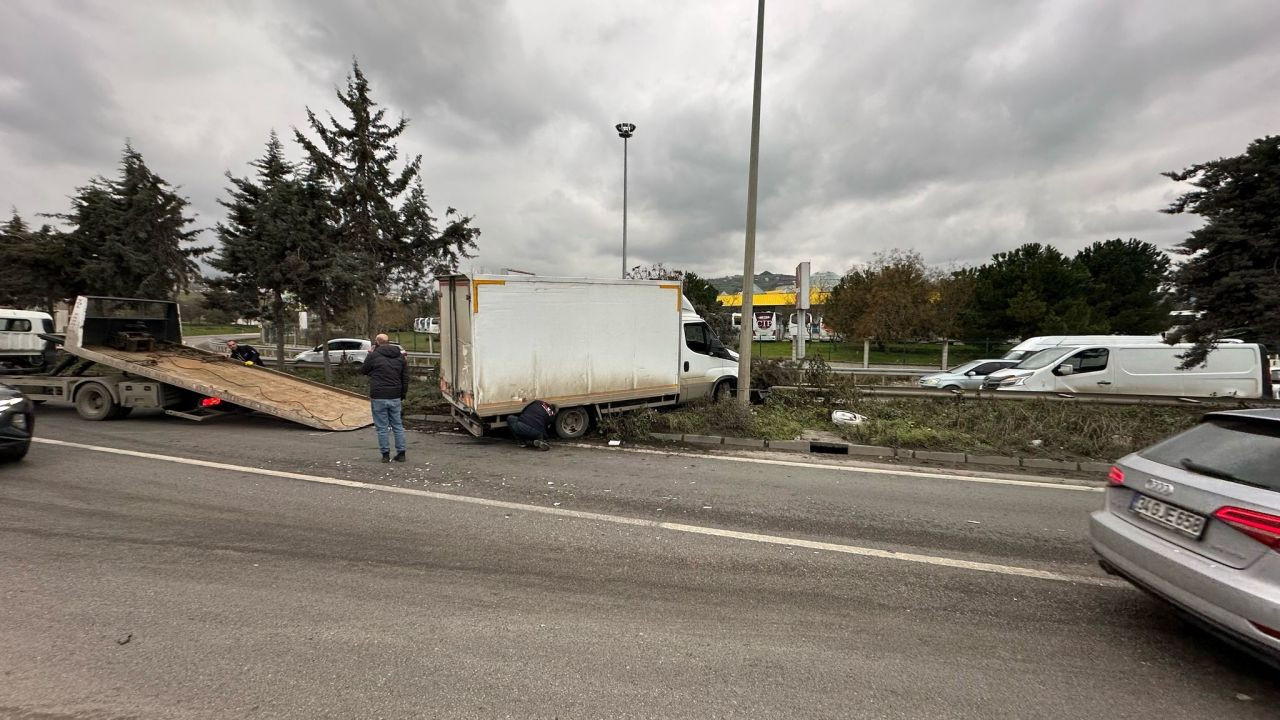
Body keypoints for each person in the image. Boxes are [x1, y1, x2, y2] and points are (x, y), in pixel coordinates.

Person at [359, 334, 409, 462]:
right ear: (388, 342)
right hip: (395, 394)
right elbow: (405, 377)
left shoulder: (373, 356)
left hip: (379, 394)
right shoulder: (400, 356)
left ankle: (385, 455)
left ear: (377, 343)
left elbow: (363, 370)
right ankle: (401, 453)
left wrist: (370, 356)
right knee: (397, 425)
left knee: (382, 427)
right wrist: (402, 394)